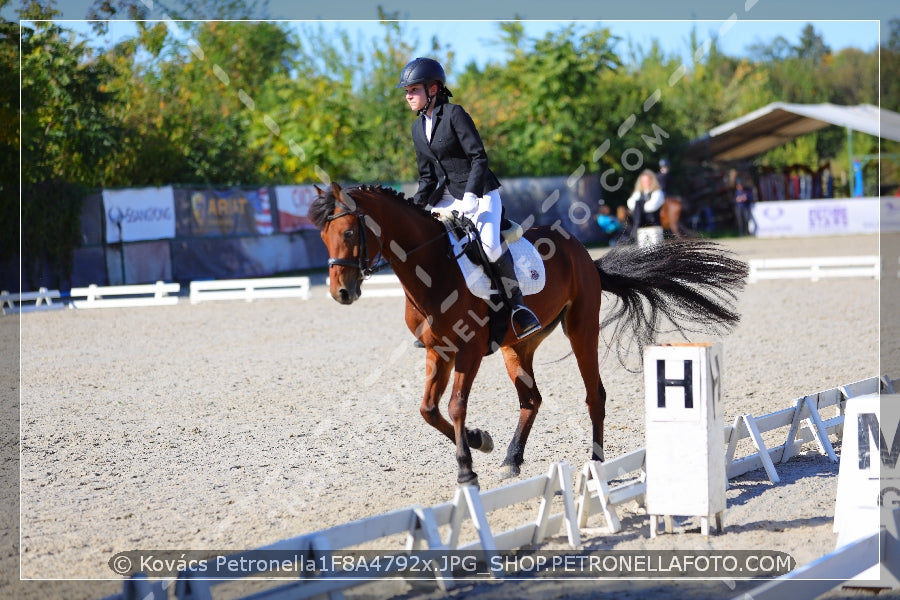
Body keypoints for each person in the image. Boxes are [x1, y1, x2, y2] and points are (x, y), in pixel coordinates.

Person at [397, 57, 541, 339]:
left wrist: (473, 195)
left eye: (413, 90)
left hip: (481, 192)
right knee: (430, 245)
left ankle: (518, 308)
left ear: (433, 89)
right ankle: (436, 316)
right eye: (406, 91)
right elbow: (427, 178)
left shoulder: (454, 114)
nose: (408, 96)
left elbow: (479, 157)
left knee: (488, 247)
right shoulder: (417, 128)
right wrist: (412, 210)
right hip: (446, 196)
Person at [624, 169, 665, 241]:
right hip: (641, 228)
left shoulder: (657, 192)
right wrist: (641, 204)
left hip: (654, 228)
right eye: (643, 181)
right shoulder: (638, 193)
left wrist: (639, 205)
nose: (646, 183)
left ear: (652, 181)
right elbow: (630, 203)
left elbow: (652, 206)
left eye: (647, 181)